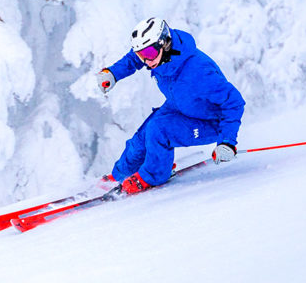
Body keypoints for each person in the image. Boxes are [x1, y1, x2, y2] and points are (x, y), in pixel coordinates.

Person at [96, 17, 245, 194]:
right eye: (142, 55)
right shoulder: (158, 56)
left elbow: (234, 102)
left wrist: (227, 142)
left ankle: (153, 175)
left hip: (211, 121)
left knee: (159, 130)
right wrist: (113, 73)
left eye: (150, 53)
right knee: (141, 138)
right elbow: (133, 59)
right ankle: (121, 173)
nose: (146, 61)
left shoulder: (199, 71)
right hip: (181, 106)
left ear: (165, 43)